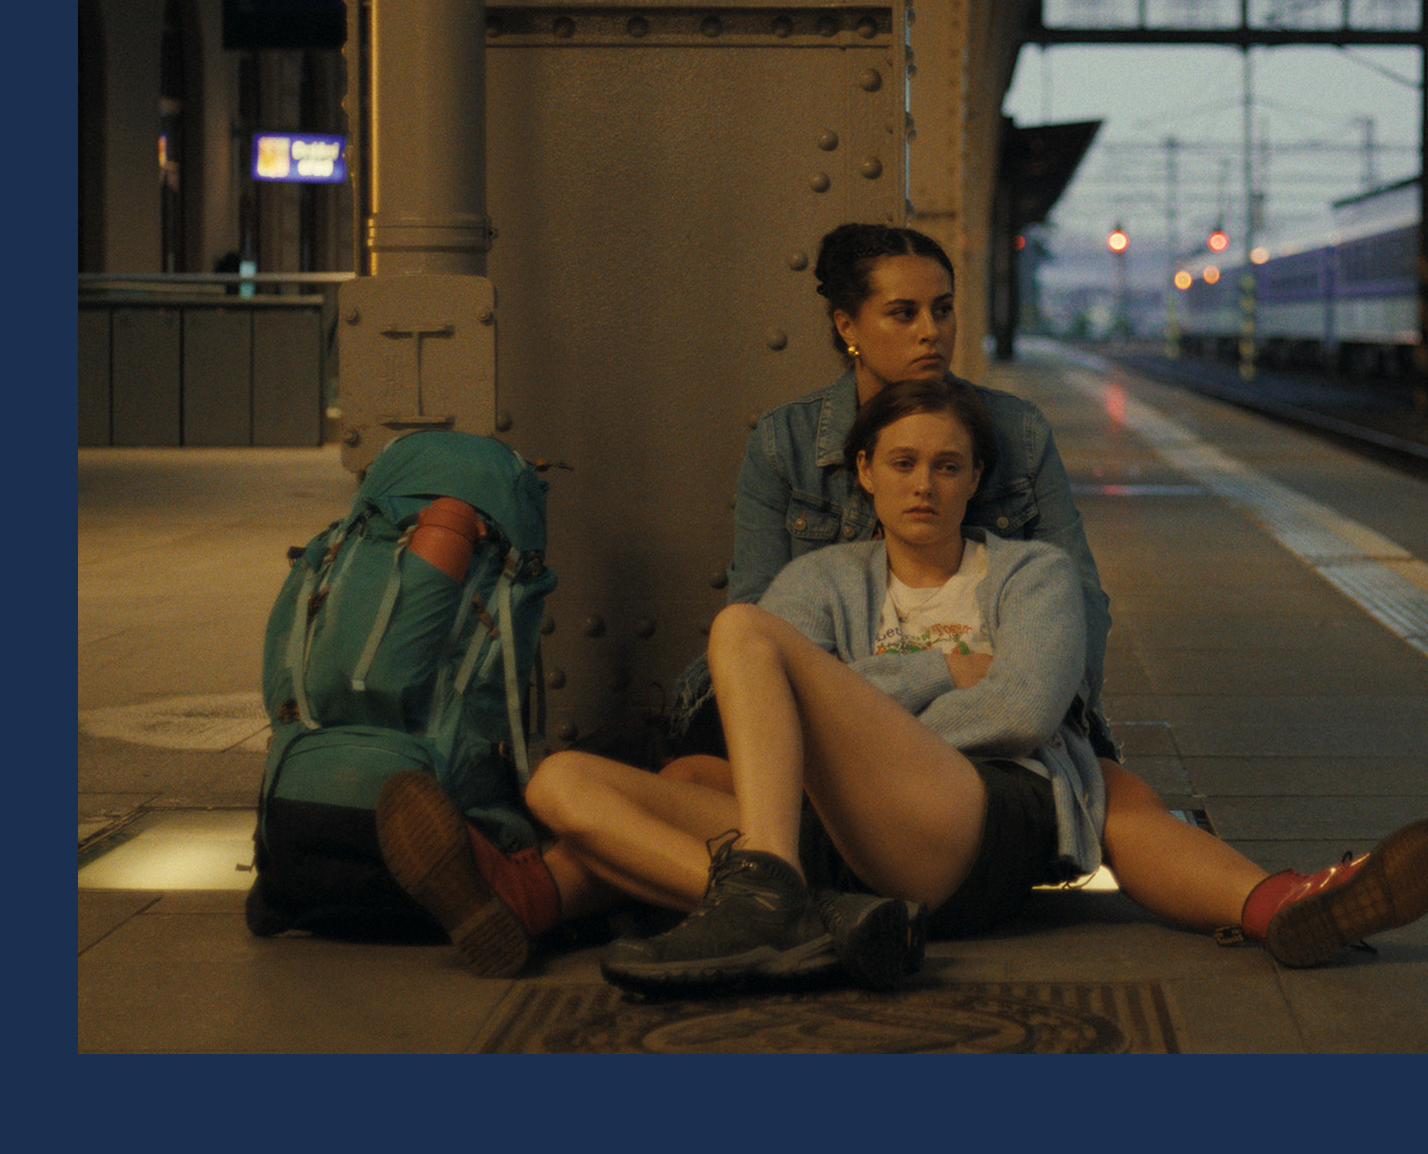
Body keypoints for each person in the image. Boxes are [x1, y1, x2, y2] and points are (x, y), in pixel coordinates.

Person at [658, 223, 1428, 966]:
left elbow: (1076, 595)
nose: (932, 331)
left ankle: (1283, 904)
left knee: (1105, 790)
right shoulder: (787, 445)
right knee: (693, 781)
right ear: (848, 326)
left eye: (943, 309)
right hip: (829, 719)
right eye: (904, 313)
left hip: (985, 722)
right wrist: (944, 677)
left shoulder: (1012, 432)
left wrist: (1051, 711)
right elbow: (762, 624)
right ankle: (725, 899)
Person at [377, 381, 1093, 989]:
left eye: (948, 466)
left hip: (966, 824)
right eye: (903, 463)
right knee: (556, 783)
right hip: (836, 838)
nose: (924, 485)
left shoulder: (1032, 574)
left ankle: (589, 892)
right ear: (866, 471)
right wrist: (941, 671)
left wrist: (842, 728)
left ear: (975, 477)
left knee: (742, 629)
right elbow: (775, 705)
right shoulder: (820, 581)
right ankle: (810, 914)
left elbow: (1023, 710)